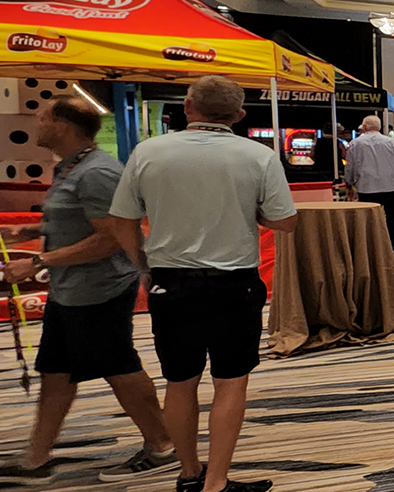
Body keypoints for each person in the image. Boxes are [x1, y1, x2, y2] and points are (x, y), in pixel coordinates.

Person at [107, 75, 299, 492]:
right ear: (240, 115)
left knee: (180, 381)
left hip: (170, 283)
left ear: (187, 107)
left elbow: (121, 221)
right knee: (231, 382)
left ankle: (189, 473)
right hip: (235, 284)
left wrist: (142, 265)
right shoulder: (257, 155)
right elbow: (285, 221)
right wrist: (251, 214)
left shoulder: (148, 152)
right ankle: (216, 482)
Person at [0, 96, 175, 483]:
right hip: (71, 289)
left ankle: (163, 446)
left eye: (42, 118)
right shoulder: (72, 168)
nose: (36, 124)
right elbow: (84, 221)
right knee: (55, 371)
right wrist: (34, 230)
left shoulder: (97, 173)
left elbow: (111, 239)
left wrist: (37, 262)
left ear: (63, 126)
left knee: (119, 366)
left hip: (99, 289)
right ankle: (36, 458)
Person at [345, 115, 394, 251]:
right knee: (393, 214)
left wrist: (348, 183)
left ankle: (369, 243)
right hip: (390, 184)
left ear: (365, 127)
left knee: (367, 217)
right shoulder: (391, 142)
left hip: (366, 186)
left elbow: (350, 166)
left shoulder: (355, 143)